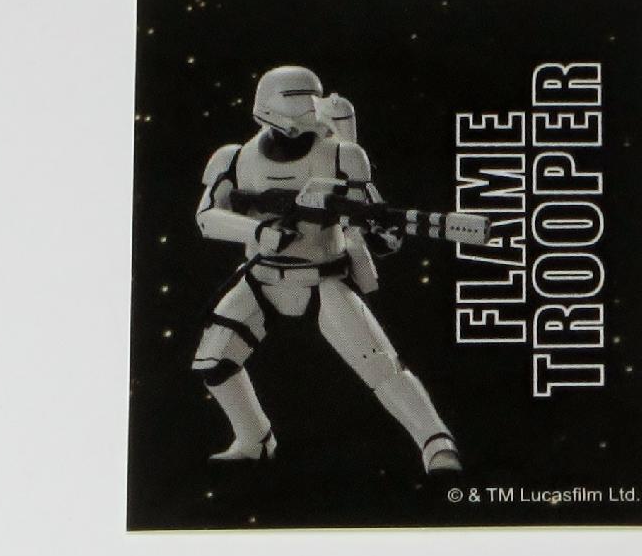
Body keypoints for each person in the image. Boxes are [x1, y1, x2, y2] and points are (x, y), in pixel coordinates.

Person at [193, 65, 461, 474]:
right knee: (214, 362)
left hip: (323, 276)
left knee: (380, 365)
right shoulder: (233, 159)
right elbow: (207, 218)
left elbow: (369, 218)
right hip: (262, 275)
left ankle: (436, 444)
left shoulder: (341, 156)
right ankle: (254, 439)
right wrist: (259, 231)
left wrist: (380, 235)